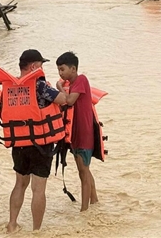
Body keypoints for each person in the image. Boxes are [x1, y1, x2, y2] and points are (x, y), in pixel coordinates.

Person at [0, 49, 68, 233]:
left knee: (20, 183)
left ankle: (12, 224)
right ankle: (36, 231)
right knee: (38, 189)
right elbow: (63, 100)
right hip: (41, 144)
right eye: (41, 64)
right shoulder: (39, 85)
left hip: (18, 142)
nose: (42, 68)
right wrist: (61, 87)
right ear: (34, 66)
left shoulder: (9, 88)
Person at [55, 52, 99, 212]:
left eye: (62, 69)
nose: (60, 73)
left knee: (83, 171)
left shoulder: (81, 80)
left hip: (83, 133)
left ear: (73, 69)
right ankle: (94, 201)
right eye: (58, 70)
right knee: (85, 169)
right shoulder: (73, 84)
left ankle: (84, 210)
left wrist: (59, 88)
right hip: (75, 133)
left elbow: (69, 100)